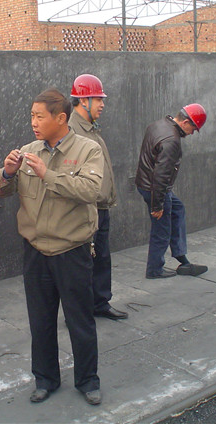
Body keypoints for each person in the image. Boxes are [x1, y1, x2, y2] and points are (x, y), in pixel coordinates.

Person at [0, 88, 103, 406]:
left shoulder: (87, 149)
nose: (34, 122)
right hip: (36, 251)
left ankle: (87, 380)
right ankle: (45, 379)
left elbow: (91, 190)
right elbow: (1, 189)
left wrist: (48, 175)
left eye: (39, 117)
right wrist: (7, 172)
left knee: (80, 320)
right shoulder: (28, 151)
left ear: (61, 118)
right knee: (40, 321)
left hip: (72, 250)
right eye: (31, 116)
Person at [68, 74, 128, 321]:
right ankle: (79, 311)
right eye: (98, 99)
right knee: (83, 262)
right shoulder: (72, 131)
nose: (102, 104)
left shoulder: (90, 128)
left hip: (100, 206)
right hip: (85, 208)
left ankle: (100, 303)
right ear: (83, 100)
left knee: (101, 258)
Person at [135, 104, 208, 279]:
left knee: (178, 209)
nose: (192, 133)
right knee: (161, 229)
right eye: (193, 129)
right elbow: (161, 175)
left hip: (146, 184)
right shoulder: (172, 140)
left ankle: (181, 257)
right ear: (185, 122)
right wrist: (158, 205)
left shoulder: (158, 124)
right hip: (156, 189)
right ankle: (154, 269)